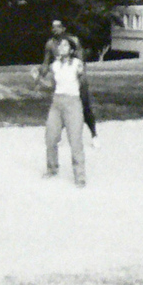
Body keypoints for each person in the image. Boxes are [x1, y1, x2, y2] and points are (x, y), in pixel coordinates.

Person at [41, 19, 99, 149]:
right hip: (61, 79)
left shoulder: (73, 41)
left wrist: (79, 78)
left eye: (57, 26)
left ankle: (94, 135)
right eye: (52, 27)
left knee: (85, 108)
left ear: (63, 28)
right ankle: (59, 136)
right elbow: (46, 63)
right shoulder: (50, 44)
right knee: (60, 107)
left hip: (76, 80)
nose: (54, 29)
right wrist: (40, 75)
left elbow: (80, 61)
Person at [39, 35, 87, 187]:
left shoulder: (77, 64)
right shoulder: (55, 65)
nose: (61, 48)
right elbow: (51, 86)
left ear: (72, 50)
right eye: (60, 45)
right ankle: (52, 168)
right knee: (50, 137)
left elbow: (83, 83)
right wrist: (38, 80)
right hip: (57, 102)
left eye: (65, 46)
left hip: (72, 103)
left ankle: (80, 176)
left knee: (75, 141)